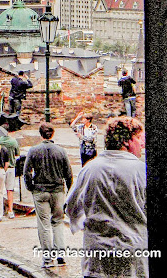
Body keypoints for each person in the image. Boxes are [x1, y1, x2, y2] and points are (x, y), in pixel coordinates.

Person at [65, 116, 147, 278]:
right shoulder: (141, 171)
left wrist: (91, 224)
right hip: (132, 253)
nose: (142, 143)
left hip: (97, 256)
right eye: (138, 138)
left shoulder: (89, 169)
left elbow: (71, 207)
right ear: (126, 141)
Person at [23, 123, 73, 268]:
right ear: (52, 134)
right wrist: (69, 190)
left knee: (44, 224)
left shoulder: (34, 150)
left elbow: (27, 172)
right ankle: (60, 254)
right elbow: (68, 173)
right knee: (58, 221)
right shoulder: (61, 151)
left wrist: (30, 187)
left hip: (40, 190)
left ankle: (47, 259)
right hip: (57, 190)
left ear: (41, 134)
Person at [0, 121, 20, 218]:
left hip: (1, 168)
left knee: (0, 190)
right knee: (10, 190)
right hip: (11, 167)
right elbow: (17, 154)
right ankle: (10, 210)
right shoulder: (13, 141)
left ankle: (0, 209)